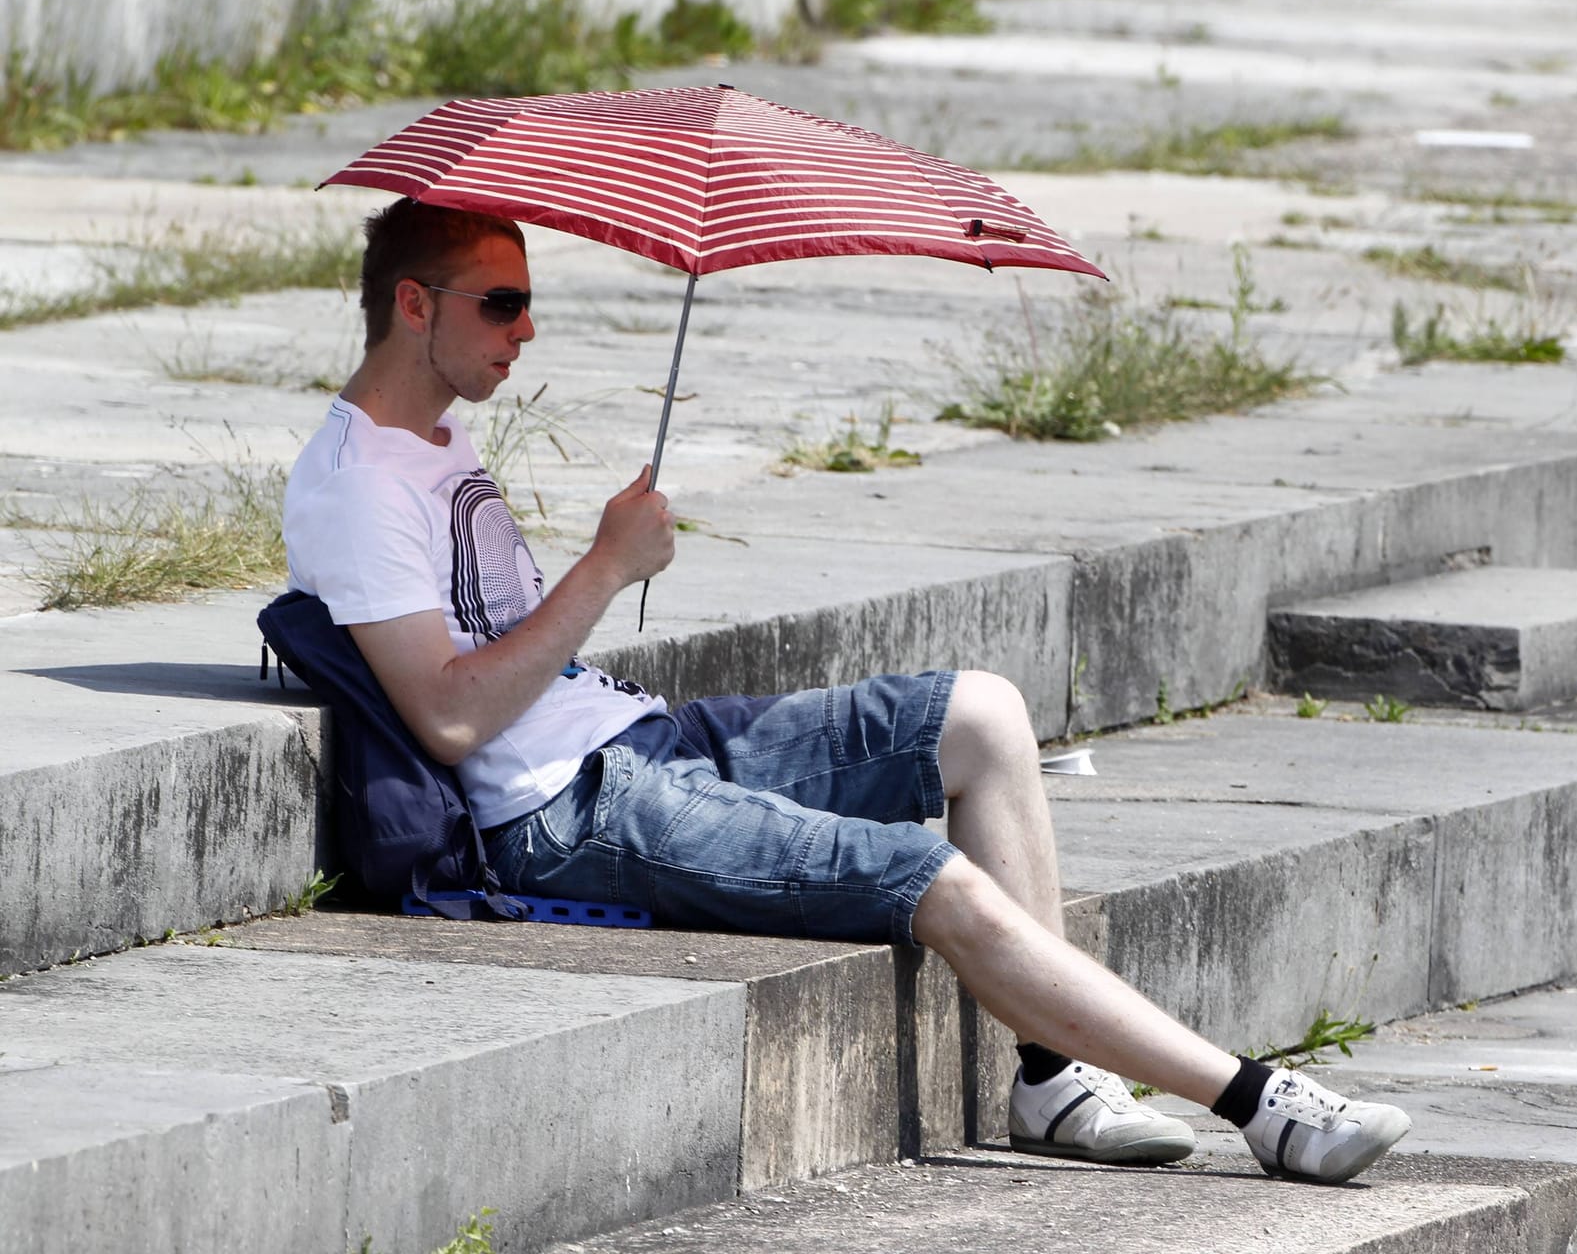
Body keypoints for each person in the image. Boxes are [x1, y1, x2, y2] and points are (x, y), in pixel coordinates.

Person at [281, 198, 1411, 1183]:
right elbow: (450, 713)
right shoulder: (360, 491)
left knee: (984, 712)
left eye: (528, 302)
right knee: (936, 878)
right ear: (414, 308)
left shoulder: (432, 437)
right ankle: (1257, 1102)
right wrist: (605, 567)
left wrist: (599, 576)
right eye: (501, 302)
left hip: (634, 738)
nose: (527, 328)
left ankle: (1054, 1083)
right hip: (560, 810)